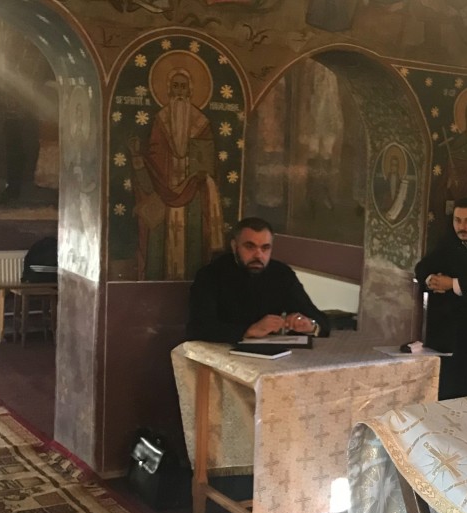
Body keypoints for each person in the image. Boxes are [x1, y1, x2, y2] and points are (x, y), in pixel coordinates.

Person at [129, 68, 225, 281]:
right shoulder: (160, 120)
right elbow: (154, 154)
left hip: (194, 192)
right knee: (159, 241)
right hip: (163, 191)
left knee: (194, 241)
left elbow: (209, 158)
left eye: (183, 86)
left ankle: (196, 284)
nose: (179, 91)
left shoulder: (202, 122)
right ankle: (153, 287)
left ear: (190, 90)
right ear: (169, 90)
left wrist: (202, 174)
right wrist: (139, 158)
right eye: (175, 86)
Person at [187, 217, 330, 343]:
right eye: (250, 247)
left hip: (269, 354)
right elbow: (198, 328)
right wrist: (249, 330)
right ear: (234, 246)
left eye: (265, 248)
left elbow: (321, 321)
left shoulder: (281, 274)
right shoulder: (210, 274)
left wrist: (310, 326)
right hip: (221, 354)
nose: (258, 255)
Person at [414, 198, 467, 398]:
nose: (462, 227)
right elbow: (422, 267)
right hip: (448, 330)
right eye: (457, 221)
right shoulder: (449, 240)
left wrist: (452, 284)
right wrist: (432, 280)